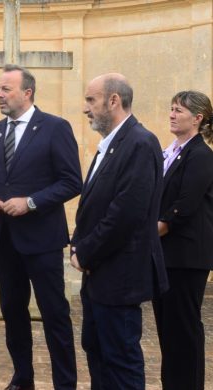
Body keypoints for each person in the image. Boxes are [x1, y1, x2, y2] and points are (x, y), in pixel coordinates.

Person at [0, 64, 81, 390]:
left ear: (27, 92)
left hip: (43, 241)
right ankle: (23, 378)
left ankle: (65, 383)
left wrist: (30, 202)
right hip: (5, 241)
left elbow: (71, 181)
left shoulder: (55, 127)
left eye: (6, 89)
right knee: (12, 313)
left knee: (54, 314)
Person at [70, 73, 168, 389]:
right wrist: (78, 244)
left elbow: (125, 214)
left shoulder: (140, 142)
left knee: (120, 362)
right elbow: (95, 206)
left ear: (114, 100)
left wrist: (84, 252)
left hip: (119, 276)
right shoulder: (110, 145)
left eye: (91, 100)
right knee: (98, 353)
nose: (86, 108)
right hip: (99, 277)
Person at [152, 90, 213, 390]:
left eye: (179, 110)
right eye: (171, 108)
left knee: (184, 330)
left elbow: (185, 206)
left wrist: (150, 233)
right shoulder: (172, 150)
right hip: (166, 255)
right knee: (167, 329)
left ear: (198, 118)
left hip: (186, 257)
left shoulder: (201, 155)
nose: (172, 114)